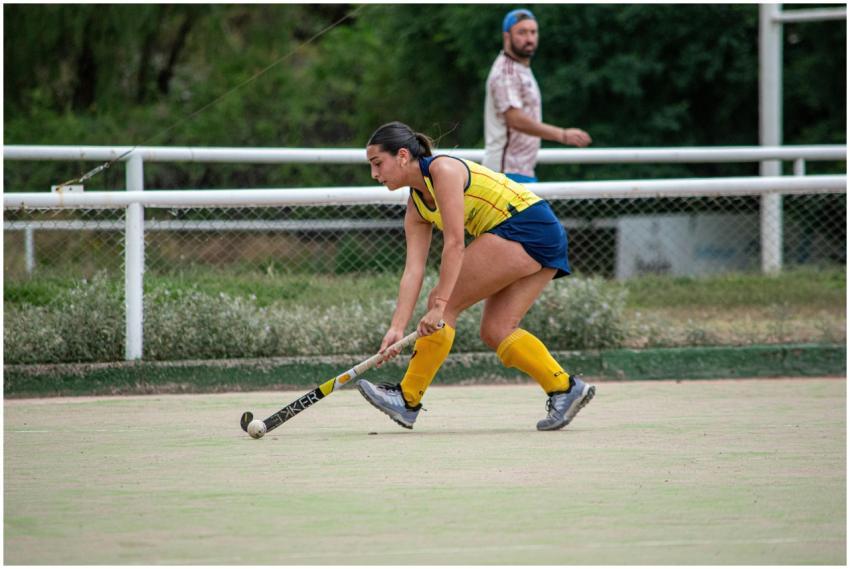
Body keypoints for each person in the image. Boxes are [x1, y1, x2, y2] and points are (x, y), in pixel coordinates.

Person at [357, 121, 595, 431]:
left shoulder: (443, 171)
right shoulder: (416, 207)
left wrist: (440, 305)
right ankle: (565, 388)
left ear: (402, 155)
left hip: (526, 226)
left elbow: (455, 243)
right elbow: (412, 270)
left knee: (444, 302)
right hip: (542, 232)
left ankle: (407, 398)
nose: (375, 174)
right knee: (496, 330)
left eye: (378, 164)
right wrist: (396, 328)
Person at [483, 8, 592, 183]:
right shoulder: (506, 72)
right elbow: (515, 119)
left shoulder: (521, 68)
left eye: (533, 32)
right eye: (522, 32)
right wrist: (562, 135)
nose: (529, 38)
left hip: (522, 171)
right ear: (507, 36)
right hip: (505, 172)